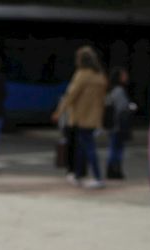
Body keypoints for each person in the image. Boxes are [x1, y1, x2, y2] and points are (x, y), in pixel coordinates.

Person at [52, 45, 108, 188]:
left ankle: (96, 176)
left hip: (81, 116)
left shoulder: (82, 75)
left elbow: (71, 95)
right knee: (83, 146)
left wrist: (59, 111)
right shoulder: (100, 76)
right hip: (94, 117)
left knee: (87, 147)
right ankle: (78, 175)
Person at [104, 67, 135, 181]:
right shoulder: (119, 91)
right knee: (117, 149)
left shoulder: (112, 90)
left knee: (114, 148)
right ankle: (114, 170)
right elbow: (122, 108)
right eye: (123, 75)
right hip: (119, 125)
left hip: (113, 124)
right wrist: (131, 108)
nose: (126, 77)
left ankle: (112, 169)